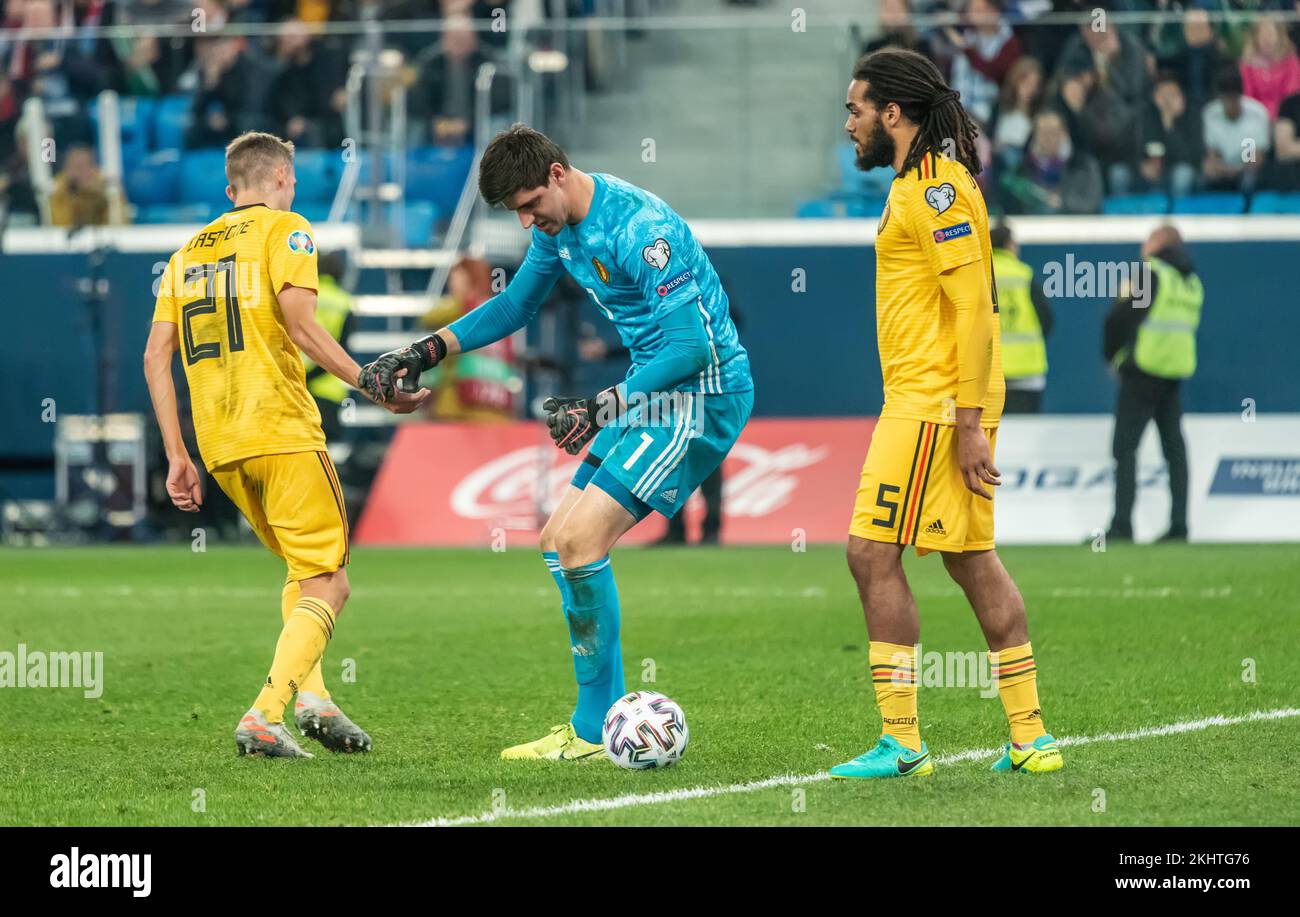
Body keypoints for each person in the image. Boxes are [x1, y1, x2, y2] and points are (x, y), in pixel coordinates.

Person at [361, 125, 753, 762]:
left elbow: (692, 347)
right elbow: (515, 305)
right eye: (515, 213)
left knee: (579, 541)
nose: (525, 221)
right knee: (557, 541)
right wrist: (425, 350)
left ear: (557, 174)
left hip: (700, 395)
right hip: (651, 393)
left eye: (528, 204)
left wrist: (602, 406)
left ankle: (595, 729)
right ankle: (598, 725)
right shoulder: (557, 228)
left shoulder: (639, 229)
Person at [143, 131, 428, 758]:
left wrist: (177, 453)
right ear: (281, 178)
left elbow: (154, 357)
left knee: (303, 574)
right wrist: (369, 383)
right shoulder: (287, 230)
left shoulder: (187, 251)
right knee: (330, 582)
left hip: (219, 444)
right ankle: (265, 714)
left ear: (229, 189)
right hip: (281, 429)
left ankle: (315, 699)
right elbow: (301, 326)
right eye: (291, 181)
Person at [835, 48, 1062, 780]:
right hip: (937, 401)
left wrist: (966, 421)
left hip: (931, 404)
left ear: (891, 113)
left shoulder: (933, 189)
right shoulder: (922, 183)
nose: (849, 125)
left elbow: (974, 309)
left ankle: (902, 742)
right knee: (969, 557)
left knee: (871, 552)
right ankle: (1031, 738)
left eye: (856, 109)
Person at [1103, 224, 1202, 543]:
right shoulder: (1191, 282)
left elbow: (1118, 318)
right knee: (1174, 449)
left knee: (1125, 448)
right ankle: (1179, 526)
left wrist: (1112, 357)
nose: (1143, 244)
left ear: (1160, 242)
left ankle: (1122, 525)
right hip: (1174, 373)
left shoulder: (1151, 273)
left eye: (1148, 238)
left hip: (1142, 372)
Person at [990, 222, 1052, 413]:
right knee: (1025, 438)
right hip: (1026, 373)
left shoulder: (979, 275)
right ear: (1009, 244)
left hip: (987, 373)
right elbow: (1046, 319)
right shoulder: (1024, 275)